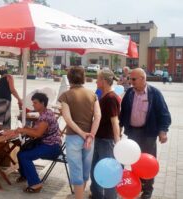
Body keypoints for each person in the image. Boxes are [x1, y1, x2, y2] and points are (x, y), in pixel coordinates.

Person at [119, 68, 171, 199]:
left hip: (149, 134)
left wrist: (163, 131)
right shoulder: (130, 93)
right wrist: (119, 127)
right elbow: (123, 112)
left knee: (147, 163)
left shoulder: (154, 94)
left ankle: (148, 189)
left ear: (143, 78)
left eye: (134, 79)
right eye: (130, 79)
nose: (131, 82)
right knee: (134, 161)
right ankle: (138, 185)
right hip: (133, 133)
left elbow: (164, 114)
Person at [58, 66, 101, 199]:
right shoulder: (92, 95)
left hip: (73, 137)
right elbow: (98, 116)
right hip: (89, 138)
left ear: (69, 78)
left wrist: (82, 133)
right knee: (85, 172)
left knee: (76, 171)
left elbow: (67, 119)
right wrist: (90, 135)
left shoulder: (65, 95)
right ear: (83, 78)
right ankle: (80, 195)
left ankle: (78, 197)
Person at [15, 93, 61, 193]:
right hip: (51, 144)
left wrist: (24, 130)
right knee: (20, 153)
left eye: (35, 103)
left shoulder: (45, 116)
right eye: (33, 103)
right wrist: (27, 129)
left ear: (42, 103)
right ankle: (25, 175)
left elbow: (38, 134)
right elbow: (38, 131)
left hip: (52, 147)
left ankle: (36, 184)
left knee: (24, 156)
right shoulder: (47, 112)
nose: (33, 105)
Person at [90, 69, 121, 199]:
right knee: (95, 170)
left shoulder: (111, 98)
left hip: (106, 141)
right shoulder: (103, 96)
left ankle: (110, 197)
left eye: (98, 79)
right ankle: (97, 195)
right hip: (99, 138)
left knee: (108, 172)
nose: (96, 81)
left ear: (103, 81)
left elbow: (115, 122)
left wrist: (117, 142)